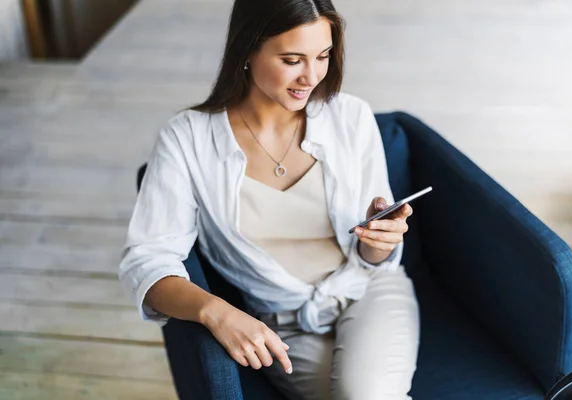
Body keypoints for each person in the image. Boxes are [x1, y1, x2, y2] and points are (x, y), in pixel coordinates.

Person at [119, 0, 420, 399]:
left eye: (323, 56)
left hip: (369, 292)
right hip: (284, 322)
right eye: (292, 59)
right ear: (247, 51)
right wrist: (216, 311)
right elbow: (147, 261)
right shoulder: (187, 140)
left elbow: (374, 261)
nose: (311, 76)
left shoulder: (350, 118)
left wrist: (378, 242)